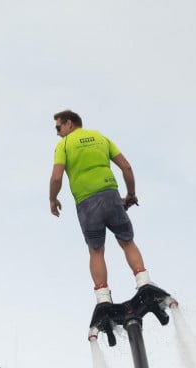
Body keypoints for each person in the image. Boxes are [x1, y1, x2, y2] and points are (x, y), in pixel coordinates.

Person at [49, 109, 155, 305]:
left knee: (96, 250)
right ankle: (144, 281)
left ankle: (104, 298)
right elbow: (127, 167)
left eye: (58, 127)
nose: (57, 132)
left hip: (87, 203)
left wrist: (52, 199)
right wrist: (130, 195)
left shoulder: (63, 144)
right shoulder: (101, 138)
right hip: (112, 196)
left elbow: (56, 178)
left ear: (69, 124)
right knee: (127, 241)